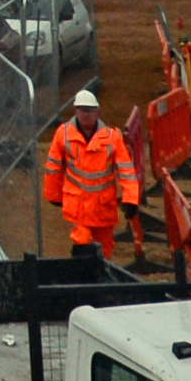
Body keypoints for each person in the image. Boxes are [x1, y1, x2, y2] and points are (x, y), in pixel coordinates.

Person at [40, 88, 139, 261]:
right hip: (78, 207)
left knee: (105, 250)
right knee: (82, 245)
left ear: (97, 112)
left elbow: (126, 171)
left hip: (103, 208)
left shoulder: (112, 138)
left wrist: (130, 200)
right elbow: (53, 167)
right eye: (82, 110)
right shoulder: (63, 135)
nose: (86, 114)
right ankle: (83, 283)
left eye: (90, 111)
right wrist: (53, 195)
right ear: (76, 111)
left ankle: (98, 284)